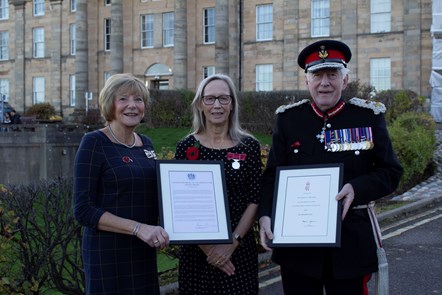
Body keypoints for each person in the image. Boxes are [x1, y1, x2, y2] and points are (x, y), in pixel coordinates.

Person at [259, 40, 403, 295]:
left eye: (332, 75)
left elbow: (390, 172)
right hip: (298, 246)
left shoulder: (367, 117)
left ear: (344, 81)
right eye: (317, 75)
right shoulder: (289, 119)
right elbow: (272, 176)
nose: (324, 82)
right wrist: (266, 215)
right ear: (307, 82)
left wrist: (356, 188)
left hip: (350, 245)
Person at [73, 73, 169, 294]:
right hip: (107, 253)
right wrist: (137, 228)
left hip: (144, 249)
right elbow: (84, 209)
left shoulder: (147, 144)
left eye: (138, 99)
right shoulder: (94, 143)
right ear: (110, 104)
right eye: (123, 99)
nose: (132, 106)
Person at [174, 74, 262, 294]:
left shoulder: (249, 146)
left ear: (232, 104)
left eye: (224, 98)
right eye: (210, 99)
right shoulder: (186, 147)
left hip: (238, 251)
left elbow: (254, 199)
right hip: (197, 253)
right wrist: (212, 251)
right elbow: (180, 204)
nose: (217, 105)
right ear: (199, 104)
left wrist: (230, 245)